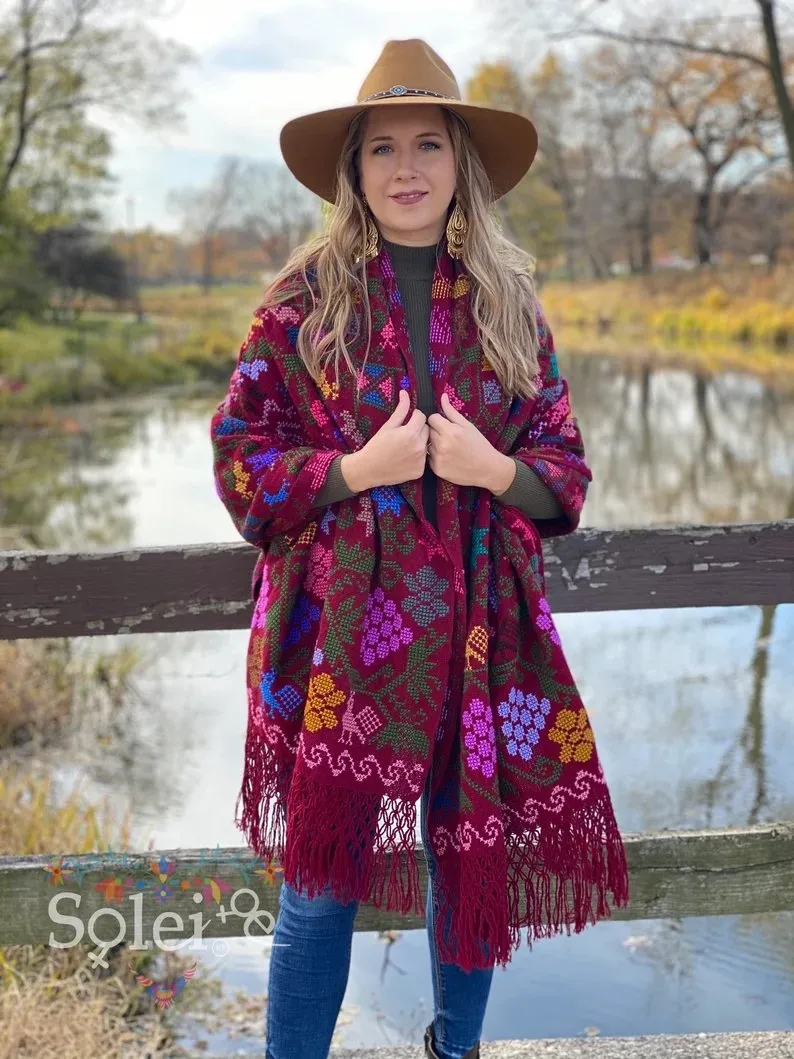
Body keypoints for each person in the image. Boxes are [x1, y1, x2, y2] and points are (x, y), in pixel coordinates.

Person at [210, 38, 629, 1059]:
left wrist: (493, 471)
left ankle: (455, 1049)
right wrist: (356, 469)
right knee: (318, 887)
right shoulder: (301, 305)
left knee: (467, 864)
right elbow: (239, 460)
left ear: (460, 165)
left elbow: (561, 468)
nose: (407, 169)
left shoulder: (508, 306)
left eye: (428, 145)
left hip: (480, 632)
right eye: (384, 147)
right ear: (354, 170)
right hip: (340, 642)